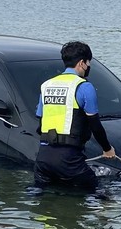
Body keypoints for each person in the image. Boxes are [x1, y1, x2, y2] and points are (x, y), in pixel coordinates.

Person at [34, 41, 115, 191]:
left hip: (43, 158)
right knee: (100, 193)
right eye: (88, 62)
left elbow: (40, 123)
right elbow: (95, 125)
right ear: (82, 63)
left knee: (42, 197)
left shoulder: (47, 85)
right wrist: (107, 149)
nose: (89, 66)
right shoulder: (84, 87)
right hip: (69, 159)